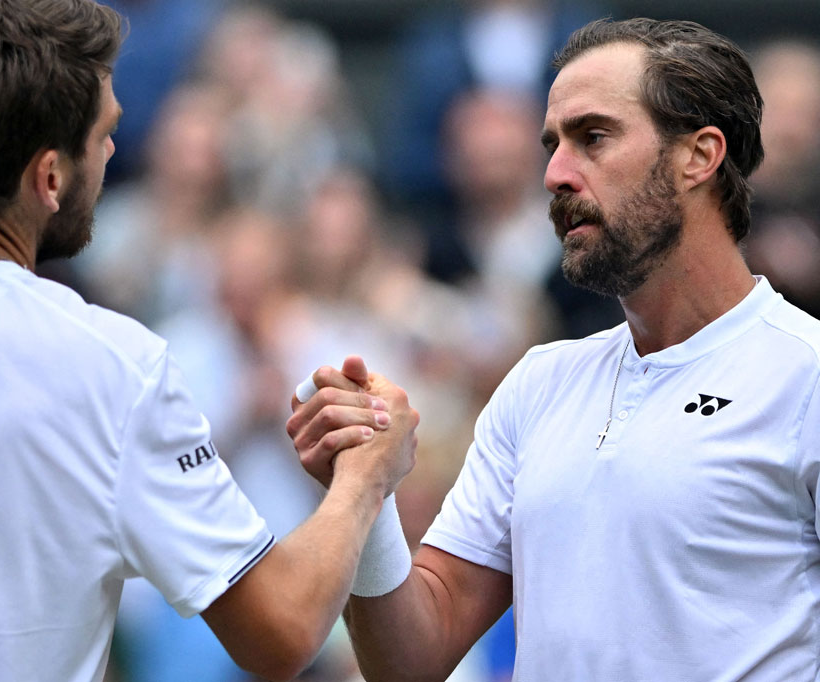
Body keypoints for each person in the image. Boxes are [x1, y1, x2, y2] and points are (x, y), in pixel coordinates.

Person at [0, 1, 419, 681]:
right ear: (50, 177)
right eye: (104, 134)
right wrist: (364, 476)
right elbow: (282, 630)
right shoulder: (119, 367)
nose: (113, 151)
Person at [288, 17, 820, 681]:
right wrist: (365, 490)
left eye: (593, 137)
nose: (555, 174)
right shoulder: (537, 384)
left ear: (699, 156)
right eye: (553, 145)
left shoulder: (807, 375)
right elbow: (409, 662)